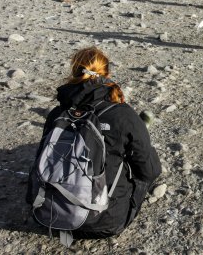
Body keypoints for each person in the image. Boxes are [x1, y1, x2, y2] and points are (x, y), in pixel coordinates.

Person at [27, 46, 161, 238]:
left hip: (50, 216)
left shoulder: (57, 115)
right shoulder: (122, 115)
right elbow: (150, 171)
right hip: (104, 222)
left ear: (74, 73)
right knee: (143, 166)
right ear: (106, 74)